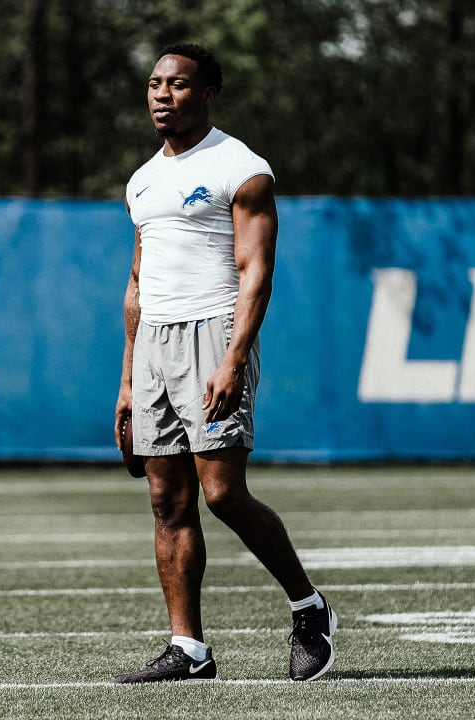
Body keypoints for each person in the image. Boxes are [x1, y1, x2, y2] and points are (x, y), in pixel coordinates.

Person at [112, 43, 337, 684]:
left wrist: (234, 358)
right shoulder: (142, 179)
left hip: (214, 335)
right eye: (155, 83)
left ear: (207, 92)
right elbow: (136, 281)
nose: (162, 94)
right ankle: (189, 649)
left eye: (178, 84)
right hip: (153, 340)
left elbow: (256, 273)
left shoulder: (243, 168)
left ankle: (309, 607)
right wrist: (128, 380)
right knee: (166, 502)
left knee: (222, 494)